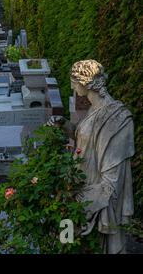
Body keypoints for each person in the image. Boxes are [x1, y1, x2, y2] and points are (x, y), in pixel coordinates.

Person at [48, 60, 134, 254]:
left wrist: (87, 198)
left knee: (69, 230)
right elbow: (84, 138)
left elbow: (112, 178)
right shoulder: (95, 109)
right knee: (65, 233)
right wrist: (65, 125)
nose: (71, 86)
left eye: (74, 81)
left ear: (86, 83)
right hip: (80, 182)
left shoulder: (117, 119)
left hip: (94, 190)